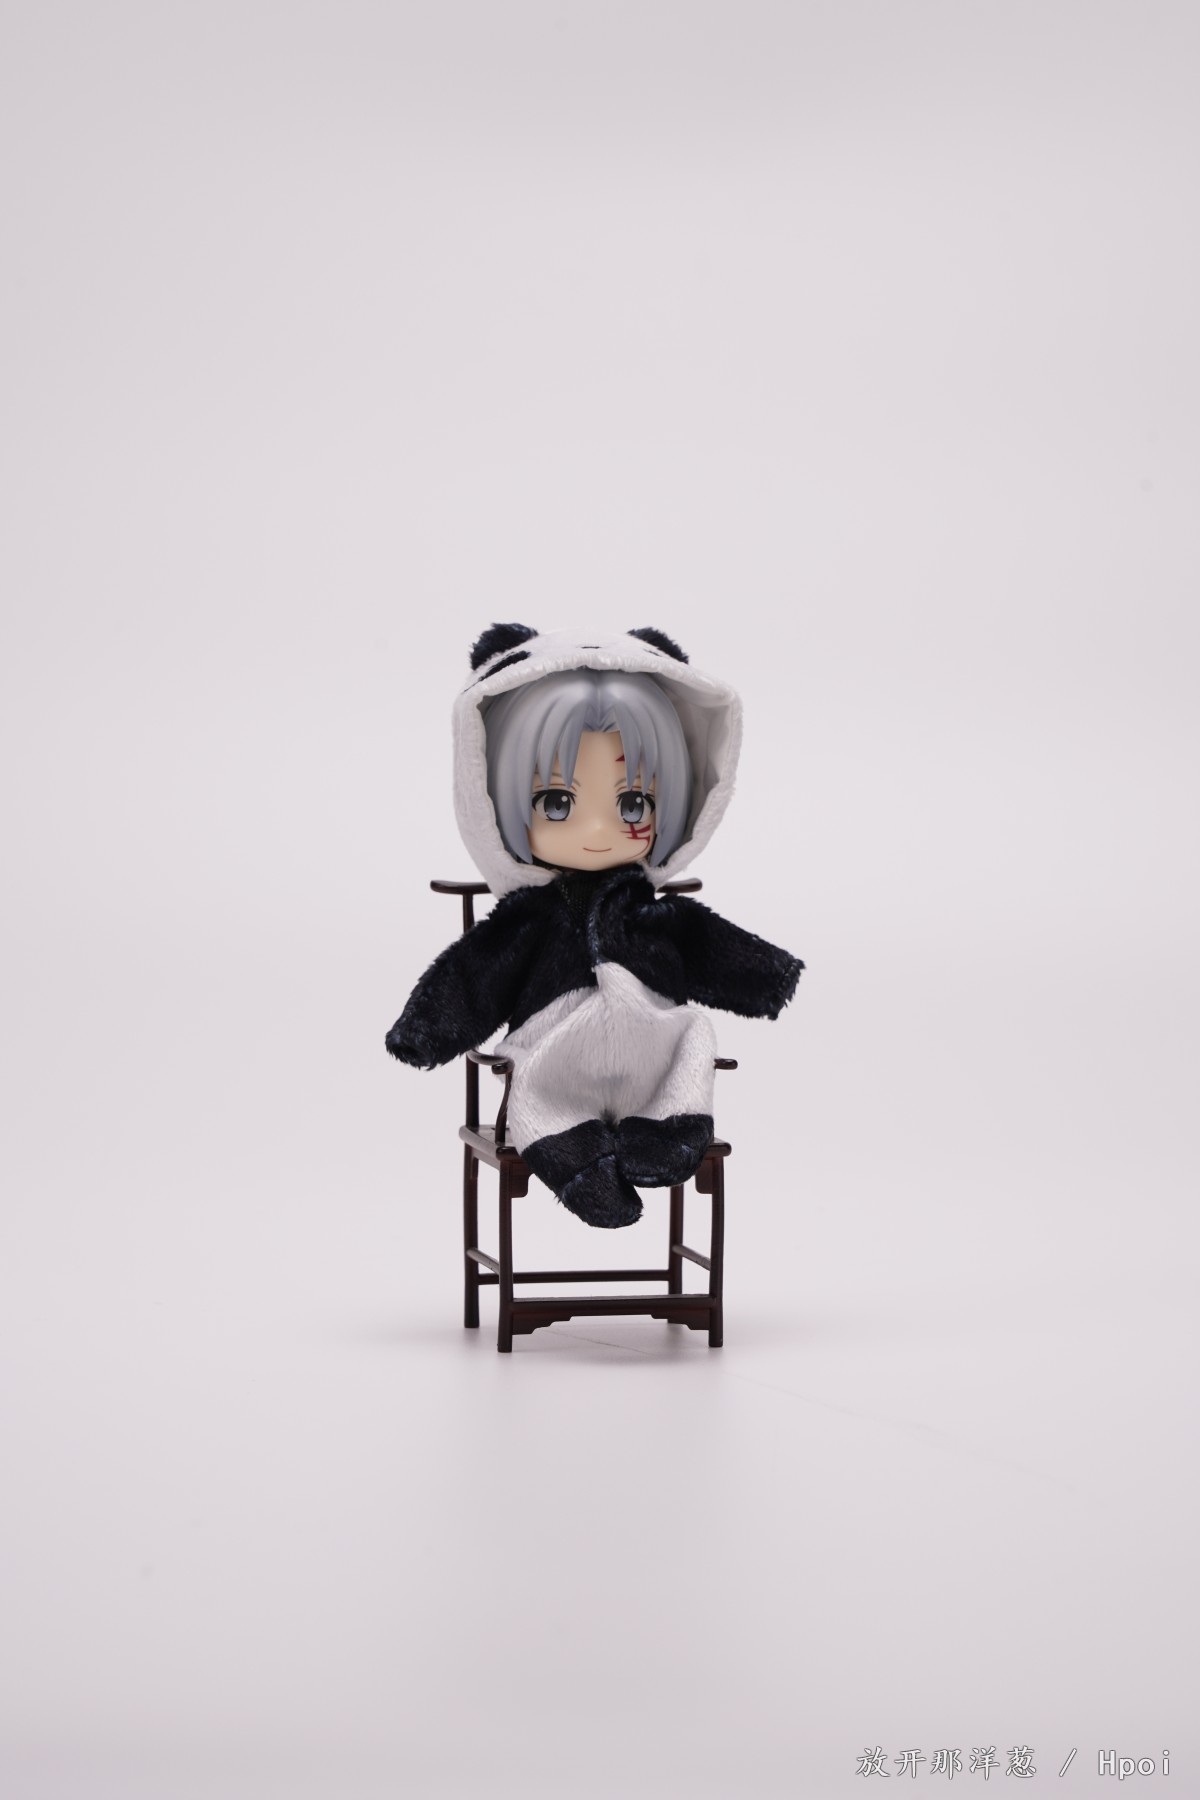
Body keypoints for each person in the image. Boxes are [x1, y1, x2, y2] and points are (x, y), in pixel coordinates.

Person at [385, 624, 803, 1228]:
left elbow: (705, 943)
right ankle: (576, 1162)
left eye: (633, 804)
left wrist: (768, 978)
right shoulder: (529, 919)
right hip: (558, 1056)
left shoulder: (651, 912)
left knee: (694, 1035)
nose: (600, 831)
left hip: (652, 1053)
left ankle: (667, 1130)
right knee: (537, 1088)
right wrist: (425, 1030)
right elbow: (475, 973)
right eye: (557, 803)